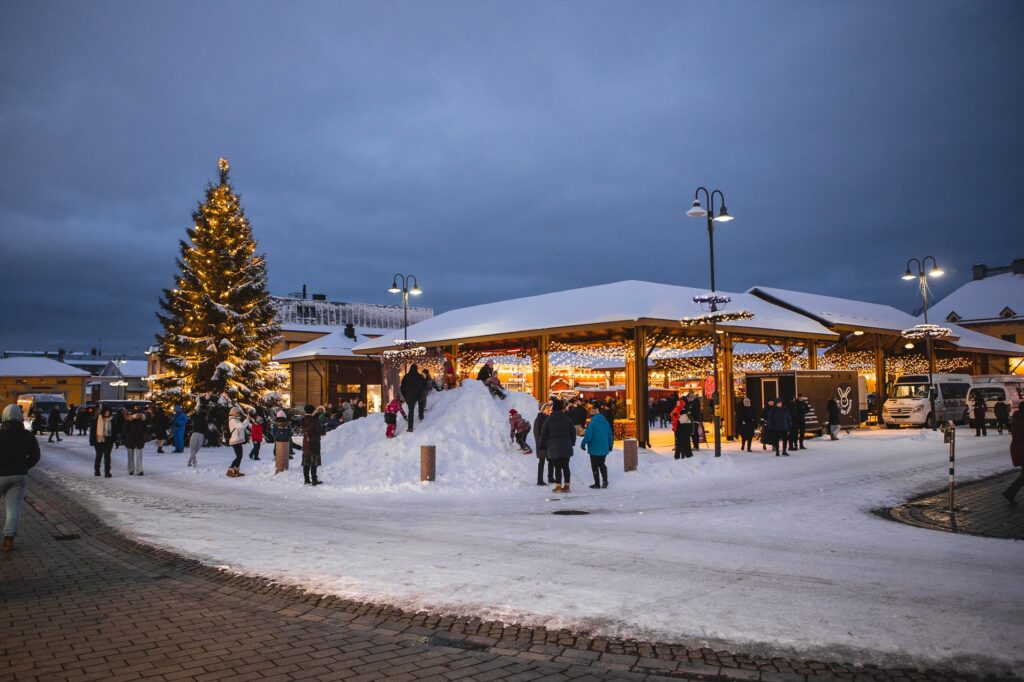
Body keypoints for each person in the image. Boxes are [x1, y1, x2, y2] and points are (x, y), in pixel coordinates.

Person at [0, 405, 41, 552]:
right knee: (13, 508)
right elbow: (36, 456)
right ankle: (8, 540)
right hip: (18, 475)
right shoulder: (27, 435)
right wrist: (24, 466)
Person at [539, 399, 575, 493]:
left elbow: (543, 434)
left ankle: (558, 486)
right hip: (566, 446)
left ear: (553, 408)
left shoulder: (548, 420)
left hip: (553, 447)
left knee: (557, 467)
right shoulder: (567, 419)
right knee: (566, 466)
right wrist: (572, 442)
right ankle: (567, 486)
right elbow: (573, 432)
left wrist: (541, 444)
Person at [581, 407, 613, 488]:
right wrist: (610, 445)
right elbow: (610, 435)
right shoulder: (606, 422)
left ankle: (597, 483)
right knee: (602, 464)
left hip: (594, 449)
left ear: (592, 415)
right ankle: (605, 481)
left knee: (595, 465)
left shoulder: (592, 423)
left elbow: (588, 436)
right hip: (604, 448)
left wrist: (583, 444)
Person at [1002, 409, 1024, 505]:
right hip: (1021, 450)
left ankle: (1010, 492)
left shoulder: (1016, 419)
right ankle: (1010, 492)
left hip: (1018, 449)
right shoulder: (1021, 421)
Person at [400, 363, 428, 432]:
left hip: (410, 396)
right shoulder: (420, 376)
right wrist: (422, 391)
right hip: (419, 394)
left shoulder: (406, 377)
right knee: (421, 402)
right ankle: (421, 416)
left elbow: (402, 388)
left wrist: (405, 396)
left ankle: (410, 427)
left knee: (411, 411)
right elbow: (425, 384)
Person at [300, 404, 323, 485]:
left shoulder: (303, 420)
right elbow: (320, 431)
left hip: (306, 442)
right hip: (314, 442)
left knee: (306, 461)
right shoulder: (315, 420)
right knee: (314, 462)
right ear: (312, 411)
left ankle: (306, 480)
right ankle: (314, 479)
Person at [89, 406, 115, 477]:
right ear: (103, 413)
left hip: (108, 441)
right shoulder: (98, 420)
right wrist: (92, 441)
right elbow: (93, 431)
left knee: (107, 457)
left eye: (108, 412)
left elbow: (114, 432)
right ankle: (97, 471)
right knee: (99, 456)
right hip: (98, 441)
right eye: (106, 412)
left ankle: (107, 472)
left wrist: (116, 440)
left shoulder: (112, 420)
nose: (107, 414)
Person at [122, 406, 148, 475]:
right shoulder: (128, 421)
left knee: (139, 456)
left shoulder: (142, 421)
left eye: (139, 415)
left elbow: (145, 430)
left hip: (139, 439)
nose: (138, 416)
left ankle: (140, 470)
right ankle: (131, 469)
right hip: (130, 439)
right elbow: (125, 429)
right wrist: (129, 435)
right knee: (130, 456)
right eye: (137, 415)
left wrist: (143, 435)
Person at [533, 402, 554, 486]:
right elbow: (536, 432)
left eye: (549, 408)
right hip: (541, 444)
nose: (549, 409)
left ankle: (551, 478)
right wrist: (540, 444)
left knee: (551, 461)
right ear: (542, 410)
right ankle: (540, 480)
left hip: (549, 444)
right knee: (541, 462)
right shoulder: (539, 419)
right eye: (547, 408)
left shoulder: (549, 418)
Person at [226, 406, 249, 478]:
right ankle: (230, 470)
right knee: (239, 456)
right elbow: (241, 426)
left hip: (238, 440)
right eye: (238, 413)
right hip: (235, 440)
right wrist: (247, 420)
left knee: (240, 456)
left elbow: (241, 427)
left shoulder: (236, 420)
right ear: (234, 413)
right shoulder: (233, 420)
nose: (239, 414)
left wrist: (246, 420)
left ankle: (236, 471)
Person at [187, 403, 208, 468]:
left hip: (195, 434)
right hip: (201, 435)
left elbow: (190, 419)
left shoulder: (195, 417)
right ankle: (190, 461)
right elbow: (206, 430)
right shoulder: (205, 420)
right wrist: (206, 438)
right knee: (196, 450)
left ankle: (193, 460)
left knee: (193, 449)